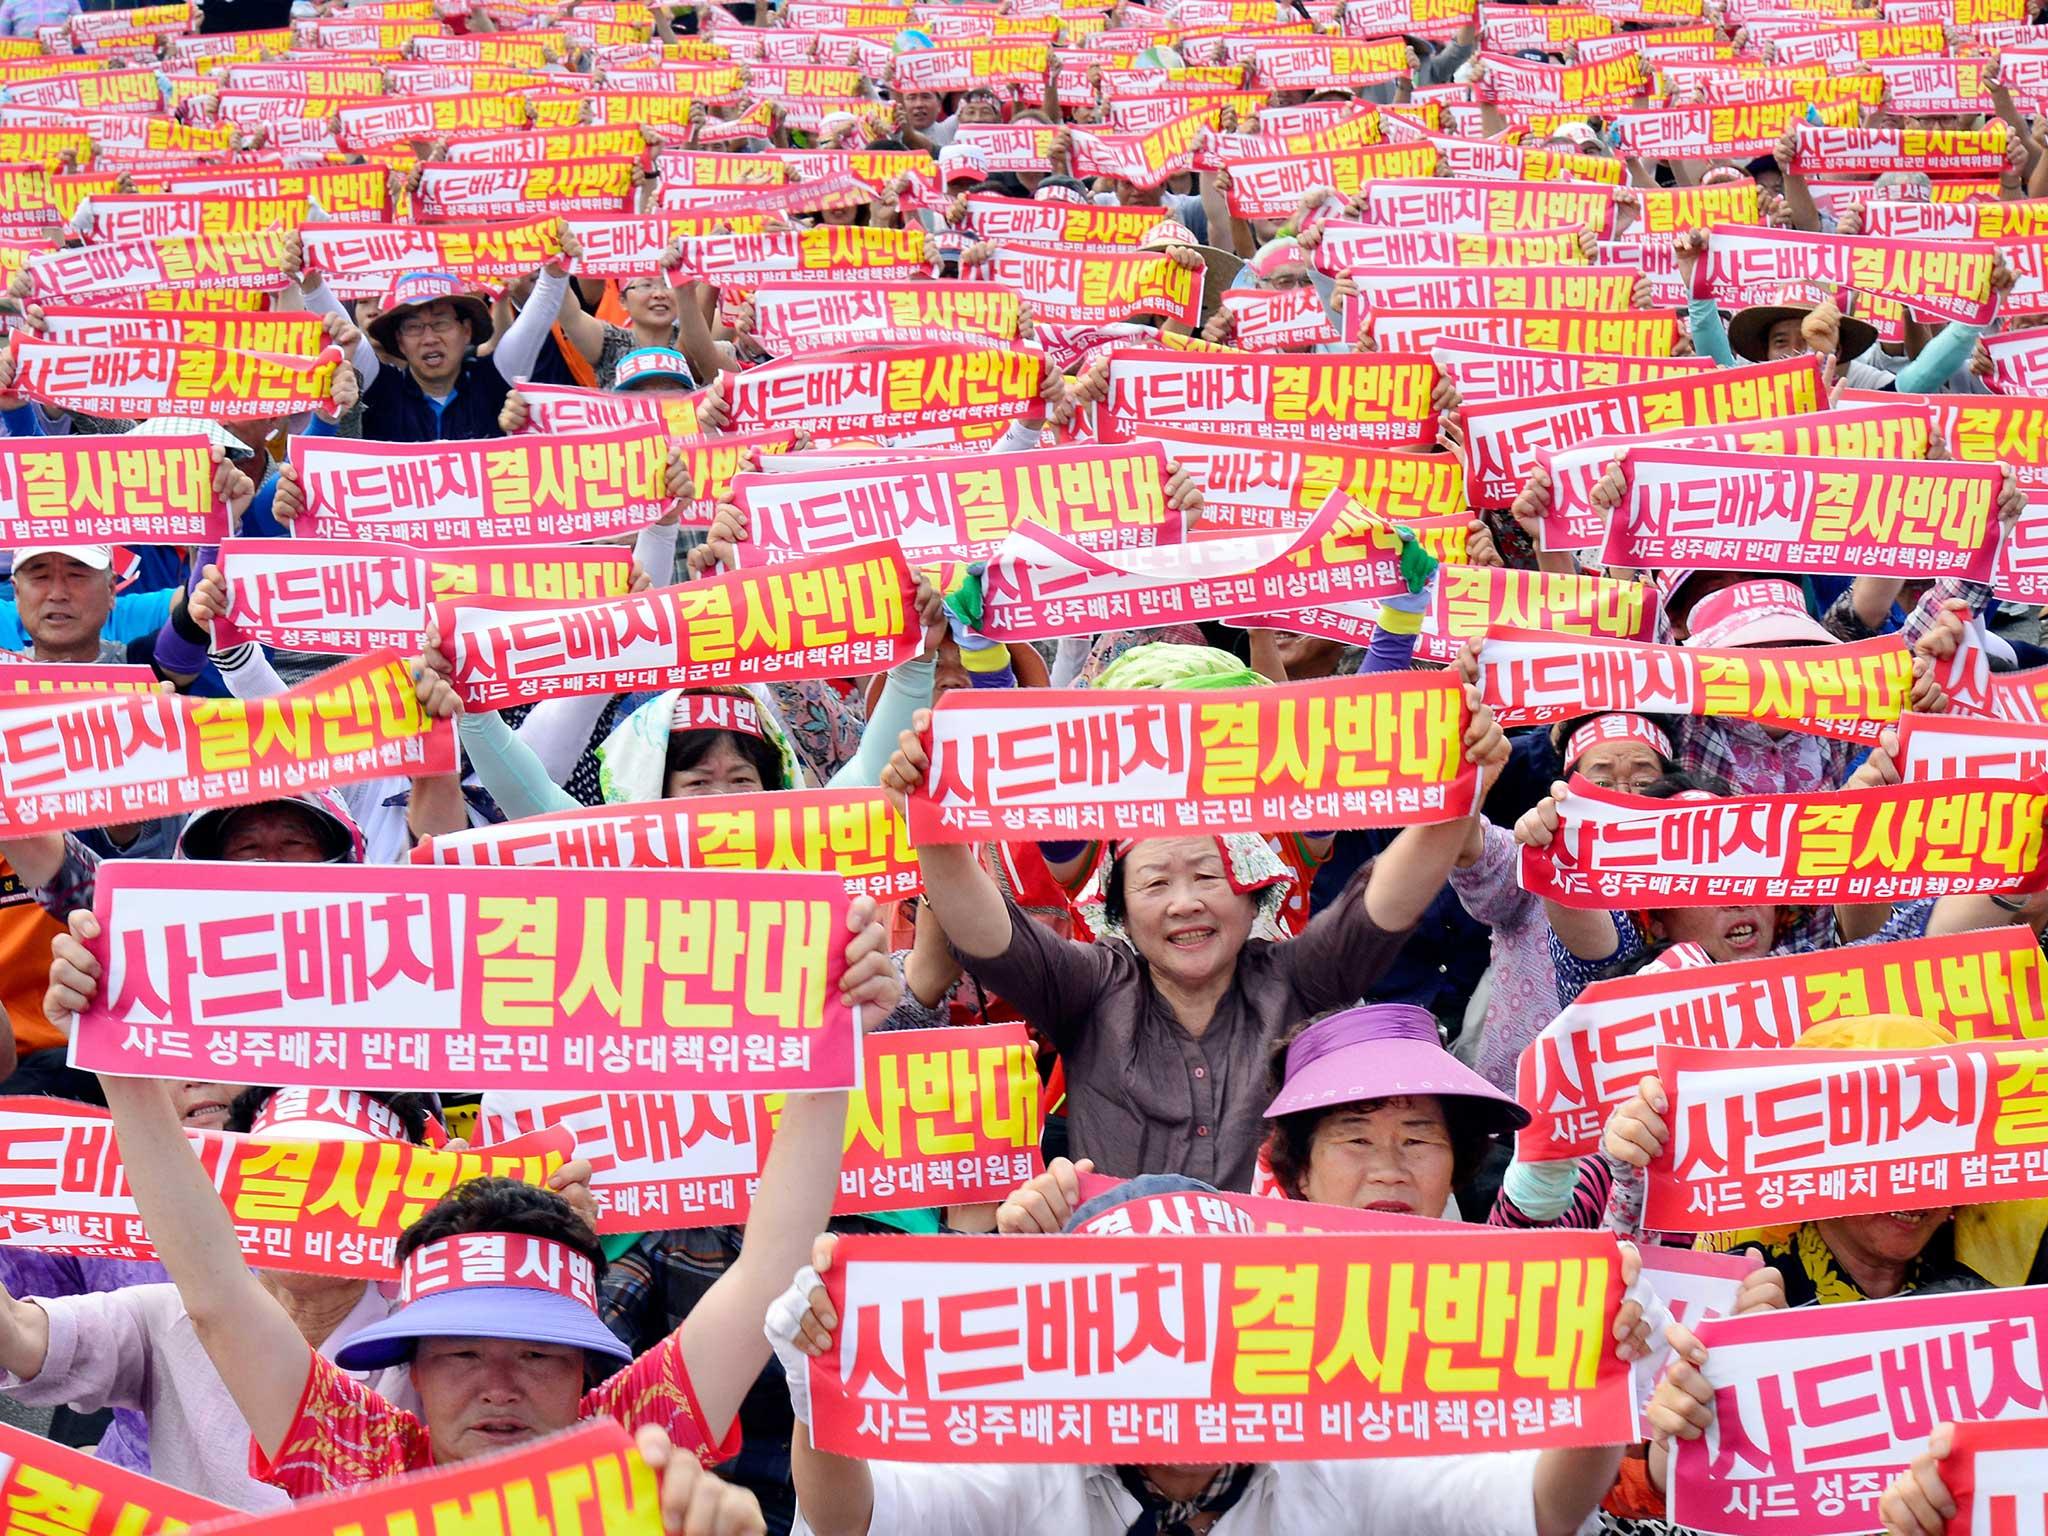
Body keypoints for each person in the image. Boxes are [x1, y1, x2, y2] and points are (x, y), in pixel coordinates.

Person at [41, 887, 900, 1511]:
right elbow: (219, 1297)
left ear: (586, 1371)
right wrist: (120, 1060)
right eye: (460, 1356)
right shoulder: (363, 1451)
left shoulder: (628, 1434)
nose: (500, 1388)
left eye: (538, 1356)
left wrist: (833, 1042)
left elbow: (766, 1273)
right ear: (409, 1367)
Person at [877, 656, 1511, 1191]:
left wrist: (1462, 783)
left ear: (1252, 893)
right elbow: (984, 932)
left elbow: (1389, 900)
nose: (1186, 903)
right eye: (1155, 883)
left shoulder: (1298, 978)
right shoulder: (1087, 986)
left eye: (1209, 877)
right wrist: (932, 818)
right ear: (1118, 909)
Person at [768, 1179, 1653, 1535]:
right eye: (1146, 1336)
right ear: (1082, 1352)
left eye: (1209, 1332)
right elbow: (854, 1521)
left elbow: (1537, 1508)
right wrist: (821, 1395)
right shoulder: (1027, 1455)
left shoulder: (1336, 1439)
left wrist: (1604, 1378)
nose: (1181, 1374)